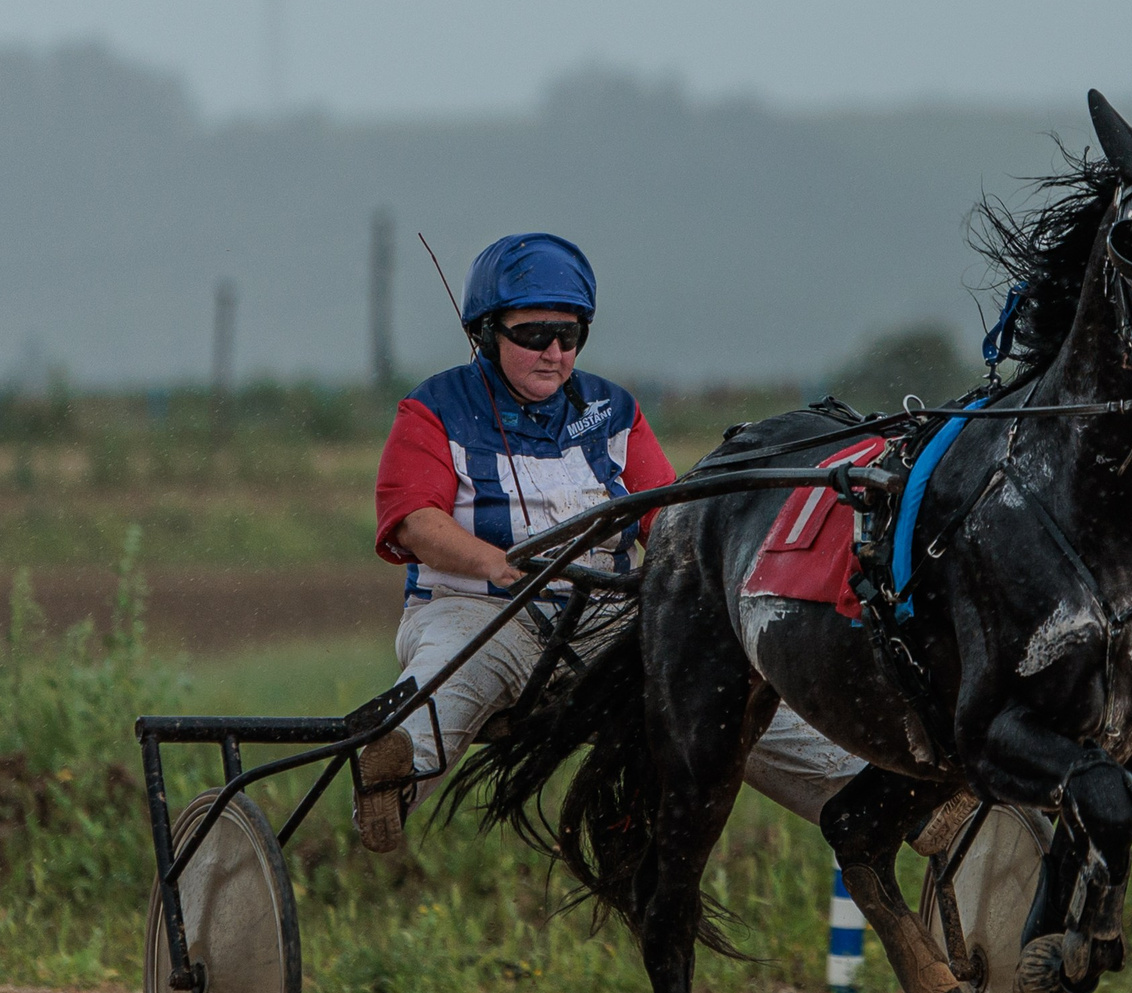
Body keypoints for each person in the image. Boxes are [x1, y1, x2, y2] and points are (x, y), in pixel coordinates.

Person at [357, 230, 864, 854]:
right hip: (478, 611)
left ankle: (866, 793)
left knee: (719, 685)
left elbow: (668, 520)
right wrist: (494, 562)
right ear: (487, 333)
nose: (554, 353)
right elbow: (412, 519)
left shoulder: (614, 410)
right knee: (456, 668)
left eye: (569, 336)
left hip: (604, 617)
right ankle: (393, 774)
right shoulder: (432, 409)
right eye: (534, 335)